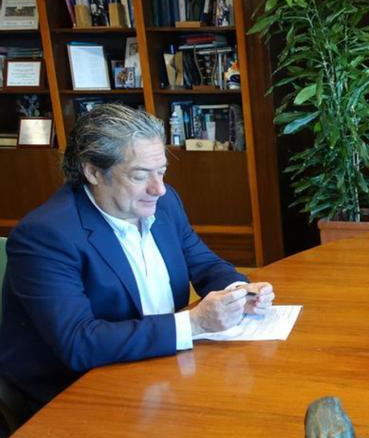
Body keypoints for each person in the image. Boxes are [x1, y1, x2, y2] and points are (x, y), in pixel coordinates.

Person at [0, 104, 275, 420]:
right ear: (92, 171)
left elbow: (203, 264)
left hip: (155, 368)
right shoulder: (46, 235)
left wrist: (241, 291)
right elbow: (78, 343)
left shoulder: (164, 201)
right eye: (140, 175)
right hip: (72, 397)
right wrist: (195, 322)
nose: (158, 188)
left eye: (162, 172)